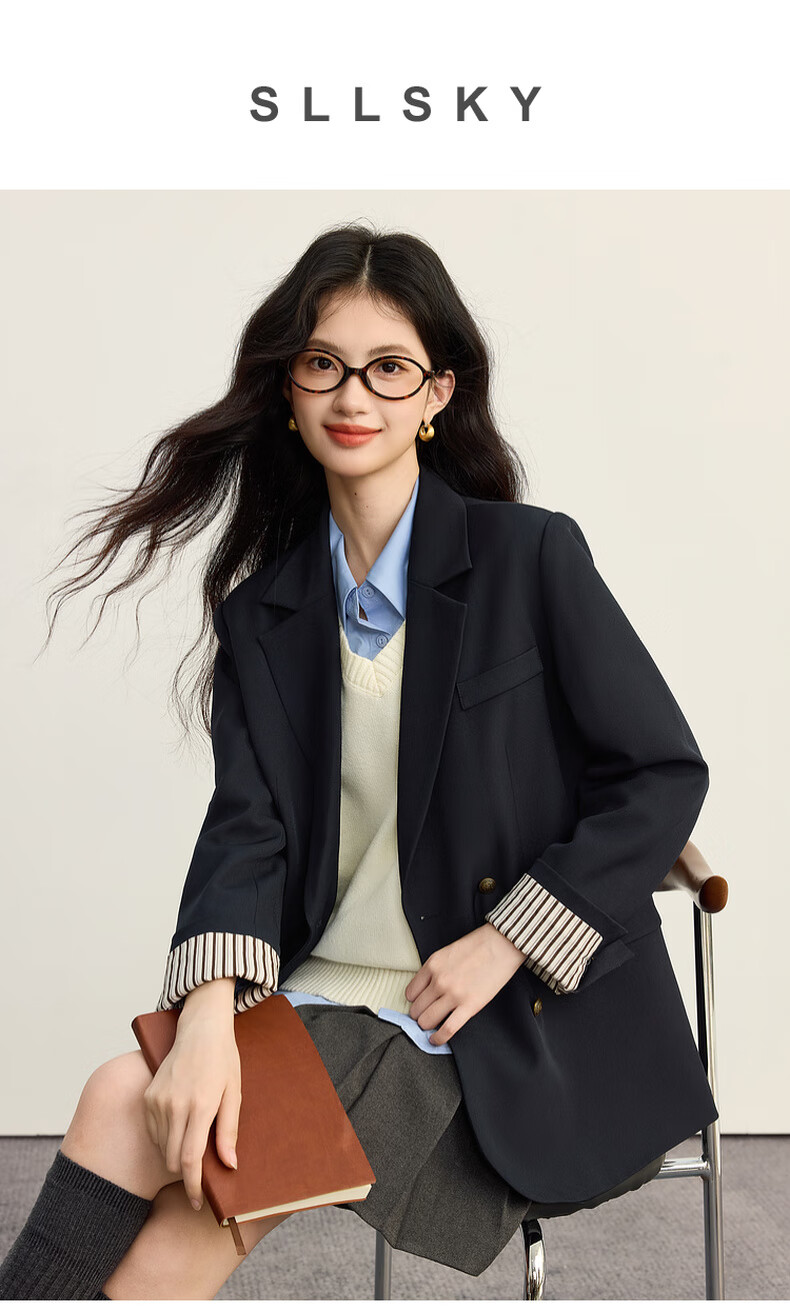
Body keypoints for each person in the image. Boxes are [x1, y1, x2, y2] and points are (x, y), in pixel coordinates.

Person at [0, 221, 715, 1300]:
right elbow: (248, 827)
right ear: (289, 391)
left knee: (155, 1137)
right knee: (129, 1103)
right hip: (325, 993)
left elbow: (659, 771)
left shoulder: (529, 559)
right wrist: (208, 1017)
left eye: (389, 368)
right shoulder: (264, 615)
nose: (353, 395)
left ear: (437, 394)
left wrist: (506, 942)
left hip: (490, 1027)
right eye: (323, 364)